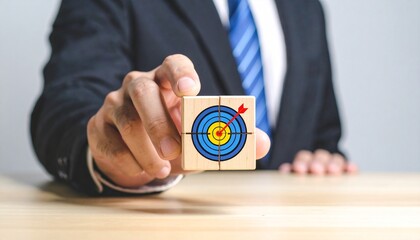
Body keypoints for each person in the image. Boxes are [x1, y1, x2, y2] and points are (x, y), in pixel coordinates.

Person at [31, 0, 357, 195]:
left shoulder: (305, 7)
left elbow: (323, 134)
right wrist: (106, 153)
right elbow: (65, 103)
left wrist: (321, 160)